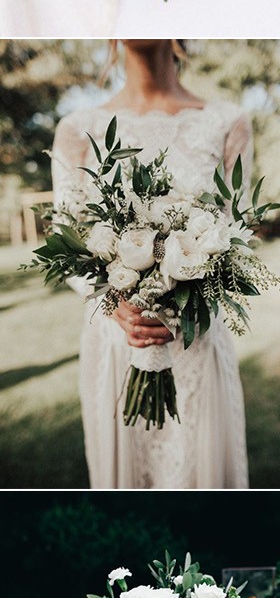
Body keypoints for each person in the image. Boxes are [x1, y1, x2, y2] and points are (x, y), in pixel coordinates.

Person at [51, 39, 251, 488]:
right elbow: (66, 240)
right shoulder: (77, 128)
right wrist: (112, 300)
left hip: (195, 338)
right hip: (118, 337)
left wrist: (191, 294)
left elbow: (235, 234)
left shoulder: (226, 121)